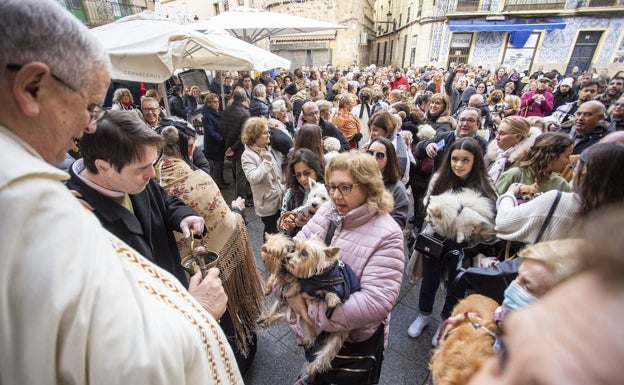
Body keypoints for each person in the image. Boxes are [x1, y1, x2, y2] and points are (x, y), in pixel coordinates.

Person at [0, 1, 242, 383]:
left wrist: (181, 215)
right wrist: (196, 312)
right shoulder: (38, 207)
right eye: (90, 106)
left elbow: (160, 197)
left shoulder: (136, 180)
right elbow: (114, 363)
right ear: (31, 88)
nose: (86, 127)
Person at [468, 206, 624, 385]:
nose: (480, 379)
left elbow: (505, 221)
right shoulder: (514, 321)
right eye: (518, 277)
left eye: (534, 380)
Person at [287, 151, 405, 385]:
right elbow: (293, 250)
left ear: (369, 186)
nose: (335, 195)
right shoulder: (327, 211)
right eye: (331, 187)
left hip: (352, 344)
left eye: (345, 188)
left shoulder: (388, 233)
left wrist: (310, 312)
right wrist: (289, 292)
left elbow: (376, 301)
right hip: (317, 330)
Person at [158, 124, 265, 375]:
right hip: (216, 266)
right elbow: (226, 223)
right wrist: (237, 211)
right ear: (190, 148)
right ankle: (239, 358)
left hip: (179, 276)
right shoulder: (199, 179)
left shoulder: (150, 182)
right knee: (228, 314)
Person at [408, 138, 497, 345]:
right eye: (455, 159)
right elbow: (426, 202)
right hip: (437, 237)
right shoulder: (440, 178)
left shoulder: (485, 185)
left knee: (456, 284)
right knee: (429, 278)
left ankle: (445, 320)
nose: (459, 165)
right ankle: (423, 314)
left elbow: (490, 221)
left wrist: (477, 225)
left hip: (465, 244)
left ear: (475, 161)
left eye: (465, 160)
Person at [495, 142, 624, 243]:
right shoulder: (616, 218)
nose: (570, 165)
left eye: (574, 165)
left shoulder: (560, 200)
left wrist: (510, 194)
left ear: (584, 169)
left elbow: (504, 222)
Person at [241, 117, 285, 235]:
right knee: (271, 232)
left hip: (280, 197)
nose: (269, 135)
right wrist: (266, 162)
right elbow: (253, 178)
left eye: (268, 132)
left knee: (280, 229)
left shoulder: (269, 148)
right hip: (267, 203)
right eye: (265, 133)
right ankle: (268, 253)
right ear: (254, 136)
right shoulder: (247, 155)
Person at [495, 132, 573, 195]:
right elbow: (493, 205)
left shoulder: (561, 185)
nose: (569, 161)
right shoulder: (514, 175)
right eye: (567, 156)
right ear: (552, 155)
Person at [280, 148, 326, 236]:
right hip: (296, 245)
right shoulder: (290, 194)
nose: (303, 179)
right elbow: (281, 224)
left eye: (307, 173)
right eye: (298, 175)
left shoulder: (329, 190)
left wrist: (311, 223)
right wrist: (288, 225)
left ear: (316, 170)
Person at [367, 137, 409, 229]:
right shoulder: (358, 179)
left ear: (389, 159)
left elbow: (398, 223)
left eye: (380, 155)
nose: (373, 158)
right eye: (370, 153)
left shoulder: (397, 189)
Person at [485, 116, 540, 183]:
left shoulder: (526, 162)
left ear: (518, 137)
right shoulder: (492, 154)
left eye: (502, 134)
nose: (497, 137)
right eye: (497, 132)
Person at [222, 87, 252, 203]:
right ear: (245, 98)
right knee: (241, 175)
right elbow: (244, 135)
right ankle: (242, 198)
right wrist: (234, 148)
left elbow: (224, 130)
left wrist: (229, 146)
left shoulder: (226, 111)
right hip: (239, 148)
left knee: (236, 172)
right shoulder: (244, 113)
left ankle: (241, 194)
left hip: (229, 145)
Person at [366, 111, 411, 184]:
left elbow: (396, 178)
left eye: (375, 130)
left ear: (387, 130)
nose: (371, 133)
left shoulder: (399, 152)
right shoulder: (375, 141)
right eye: (370, 130)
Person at [201, 93, 228, 188]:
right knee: (217, 165)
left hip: (218, 144)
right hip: (213, 145)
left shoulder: (216, 112)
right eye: (214, 102)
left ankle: (221, 181)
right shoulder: (207, 115)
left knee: (220, 164)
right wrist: (221, 138)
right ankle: (218, 183)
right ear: (208, 103)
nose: (217, 104)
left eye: (218, 102)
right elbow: (209, 131)